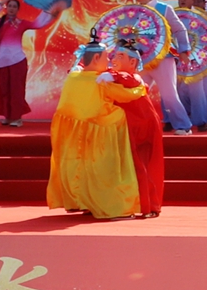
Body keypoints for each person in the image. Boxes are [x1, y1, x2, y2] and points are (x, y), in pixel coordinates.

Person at [46, 41, 152, 219]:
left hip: (73, 136)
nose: (109, 60)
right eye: (106, 57)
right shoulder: (101, 81)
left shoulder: (73, 77)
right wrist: (142, 87)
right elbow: (127, 94)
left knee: (79, 170)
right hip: (99, 135)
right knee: (104, 173)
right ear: (96, 58)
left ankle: (82, 202)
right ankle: (112, 209)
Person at [106, 40, 166, 217]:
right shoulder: (113, 76)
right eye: (115, 55)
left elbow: (130, 80)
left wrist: (114, 76)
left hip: (143, 126)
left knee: (143, 165)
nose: (114, 59)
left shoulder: (135, 78)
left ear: (132, 62)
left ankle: (150, 206)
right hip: (127, 126)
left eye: (120, 56)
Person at [0, 0, 61, 128]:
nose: (11, 8)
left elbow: (38, 24)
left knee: (16, 90)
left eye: (14, 6)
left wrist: (50, 11)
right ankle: (8, 116)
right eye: (9, 6)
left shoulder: (22, 23)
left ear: (18, 10)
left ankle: (17, 117)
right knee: (3, 89)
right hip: (2, 62)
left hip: (17, 61)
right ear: (6, 8)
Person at [133, 0, 192, 134]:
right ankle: (139, 127)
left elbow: (179, 29)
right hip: (142, 59)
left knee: (169, 94)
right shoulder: (134, 11)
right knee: (136, 92)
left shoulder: (164, 8)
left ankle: (183, 126)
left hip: (163, 58)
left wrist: (184, 50)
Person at [175, 0, 207, 132]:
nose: (182, 0)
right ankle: (184, 119)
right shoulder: (175, 15)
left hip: (200, 58)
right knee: (181, 90)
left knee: (204, 90)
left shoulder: (205, 17)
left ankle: (205, 120)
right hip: (179, 58)